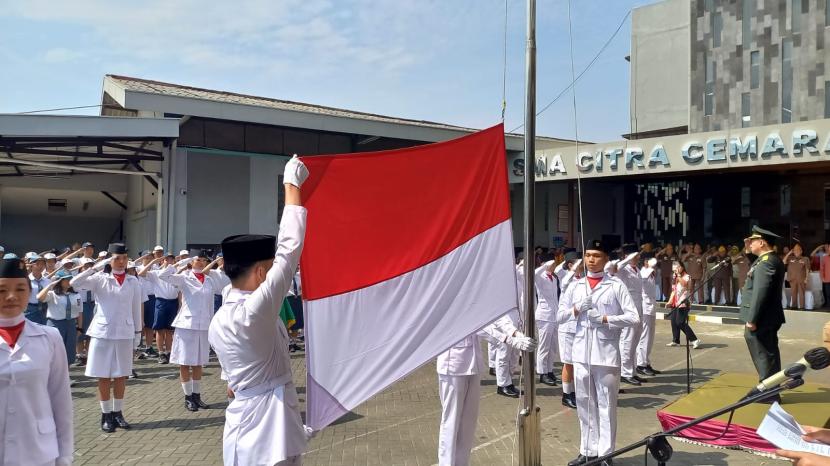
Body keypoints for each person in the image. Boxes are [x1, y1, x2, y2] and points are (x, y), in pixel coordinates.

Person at [208, 155, 310, 466]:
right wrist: (291, 185)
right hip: (267, 422)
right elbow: (289, 249)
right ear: (261, 274)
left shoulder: (222, 314)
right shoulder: (254, 311)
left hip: (251, 413)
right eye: (269, 268)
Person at [559, 238, 639, 466]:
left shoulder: (615, 285)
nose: (591, 260)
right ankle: (587, 450)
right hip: (581, 353)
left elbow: (633, 317)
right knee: (584, 403)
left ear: (605, 260)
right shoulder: (575, 286)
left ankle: (606, 454)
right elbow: (559, 316)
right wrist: (576, 309)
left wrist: (605, 319)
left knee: (606, 405)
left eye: (597, 256)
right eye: (588, 255)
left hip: (605, 353)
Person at [0, 258, 74, 465]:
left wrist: (65, 455)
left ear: (30, 292)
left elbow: (61, 401)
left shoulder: (50, 337)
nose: (12, 296)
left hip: (39, 451)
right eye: (2, 290)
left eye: (21, 289)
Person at [436, 317, 536, 466]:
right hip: (453, 365)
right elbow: (478, 326)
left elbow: (495, 317)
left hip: (473, 364)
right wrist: (509, 340)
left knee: (468, 423)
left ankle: (462, 463)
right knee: (451, 422)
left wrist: (516, 333)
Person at [70, 243, 143, 432]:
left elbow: (136, 308)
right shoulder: (99, 278)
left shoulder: (133, 281)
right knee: (103, 375)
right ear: (109, 260)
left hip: (125, 333)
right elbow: (74, 283)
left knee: (121, 375)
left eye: (125, 258)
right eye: (117, 258)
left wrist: (138, 334)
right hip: (102, 333)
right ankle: (105, 414)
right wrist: (95, 266)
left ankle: (118, 413)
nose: (121, 262)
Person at [155, 250, 225, 411]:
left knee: (199, 362)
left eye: (203, 260)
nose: (200, 262)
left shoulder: (208, 280)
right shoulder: (185, 278)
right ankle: (188, 397)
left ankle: (197, 395)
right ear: (191, 262)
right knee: (185, 363)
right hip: (187, 325)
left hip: (203, 326)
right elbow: (163, 276)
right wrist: (177, 264)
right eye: (197, 260)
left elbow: (210, 304)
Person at [739, 226, 786, 401]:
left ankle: (769, 393)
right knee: (767, 353)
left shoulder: (767, 263)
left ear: (762, 242)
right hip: (766, 317)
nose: (750, 243)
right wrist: (747, 248)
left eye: (753, 240)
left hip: (762, 318)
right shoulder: (766, 260)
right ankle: (769, 388)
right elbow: (755, 263)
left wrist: (752, 319)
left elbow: (761, 292)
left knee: (764, 354)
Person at [607, 244, 645, 386]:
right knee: (627, 341)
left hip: (639, 308)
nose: (638, 258)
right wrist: (627, 259)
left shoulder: (637, 270)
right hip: (628, 309)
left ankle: (633, 371)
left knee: (635, 341)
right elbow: (611, 269)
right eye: (635, 256)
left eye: (637, 256)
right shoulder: (623, 269)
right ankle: (625, 372)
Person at [139, 252, 180, 364]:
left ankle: (168, 352)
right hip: (161, 302)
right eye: (167, 259)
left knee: (169, 331)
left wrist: (180, 305)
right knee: (159, 329)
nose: (170, 261)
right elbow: (141, 273)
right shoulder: (156, 273)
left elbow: (180, 291)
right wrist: (152, 262)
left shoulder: (177, 272)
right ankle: (161, 353)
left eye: (172, 259)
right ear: (162, 261)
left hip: (173, 302)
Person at [37, 269, 82, 367]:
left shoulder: (76, 294)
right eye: (65, 279)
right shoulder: (53, 294)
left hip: (70, 324)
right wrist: (50, 285)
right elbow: (39, 297)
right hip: (55, 324)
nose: (69, 281)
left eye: (70, 278)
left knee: (69, 349)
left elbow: (79, 312)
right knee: (55, 350)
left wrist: (79, 327)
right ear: (59, 281)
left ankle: (66, 376)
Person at [555, 250, 581, 409]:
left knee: (577, 362)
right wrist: (572, 269)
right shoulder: (566, 278)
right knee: (568, 363)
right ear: (571, 264)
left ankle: (574, 392)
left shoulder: (581, 279)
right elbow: (564, 282)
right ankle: (566, 394)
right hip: (567, 326)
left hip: (578, 326)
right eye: (578, 262)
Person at [534, 258, 559, 386]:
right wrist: (544, 266)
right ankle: (542, 373)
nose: (553, 266)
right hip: (544, 316)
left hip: (554, 315)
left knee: (553, 347)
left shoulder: (553, 278)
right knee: (544, 346)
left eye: (554, 264)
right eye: (552, 264)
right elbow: (533, 274)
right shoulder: (541, 277)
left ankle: (549, 371)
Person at [665, 261, 701, 348]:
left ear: (682, 267)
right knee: (673, 321)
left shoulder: (687, 276)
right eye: (675, 267)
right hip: (675, 303)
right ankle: (676, 340)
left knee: (680, 322)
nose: (676, 269)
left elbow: (685, 285)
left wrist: (679, 276)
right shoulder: (675, 277)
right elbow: (673, 291)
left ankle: (695, 340)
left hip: (684, 303)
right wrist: (669, 302)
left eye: (678, 267)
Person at [636, 254, 660, 376]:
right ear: (645, 262)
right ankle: (640, 364)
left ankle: (646, 362)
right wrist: (651, 267)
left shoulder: (651, 273)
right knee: (644, 337)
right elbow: (642, 278)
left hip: (651, 308)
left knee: (650, 338)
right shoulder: (643, 273)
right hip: (645, 309)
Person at [785, 244, 811, 310]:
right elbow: (783, 261)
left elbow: (807, 269)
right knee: (793, 293)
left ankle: (802, 306)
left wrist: (806, 278)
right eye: (795, 250)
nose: (796, 251)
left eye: (798, 250)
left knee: (801, 293)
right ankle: (794, 306)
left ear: (801, 251)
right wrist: (789, 253)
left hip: (801, 279)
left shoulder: (805, 258)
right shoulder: (790, 258)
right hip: (792, 278)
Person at [26, 254, 49, 324]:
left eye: (43, 264)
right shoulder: (26, 280)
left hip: (44, 309)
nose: (40, 266)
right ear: (31, 265)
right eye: (37, 264)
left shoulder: (48, 281)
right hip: (30, 309)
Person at [821, 244, 830, 309]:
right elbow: (822, 269)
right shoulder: (825, 258)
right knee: (828, 294)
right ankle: (828, 307)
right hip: (827, 279)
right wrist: (822, 277)